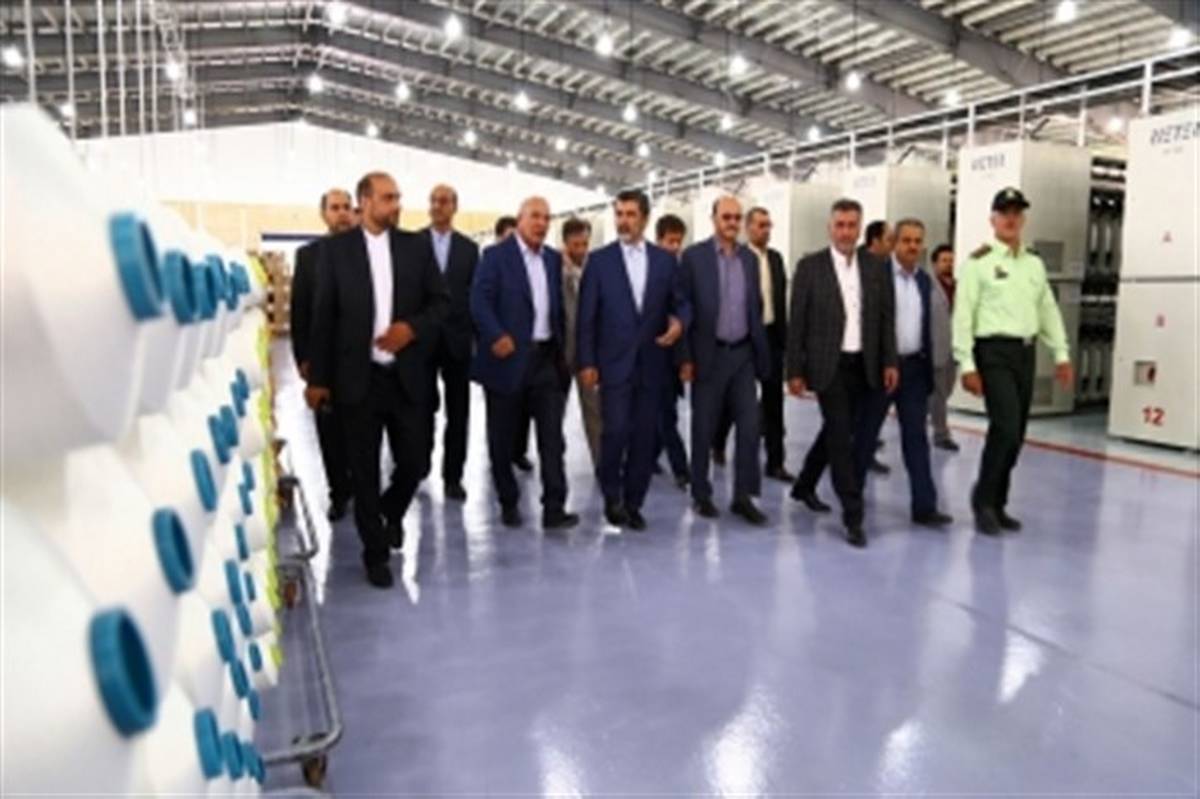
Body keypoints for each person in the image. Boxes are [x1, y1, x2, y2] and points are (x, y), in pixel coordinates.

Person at [306, 172, 449, 588]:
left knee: (415, 461)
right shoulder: (337, 252)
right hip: (358, 378)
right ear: (365, 202)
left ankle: (391, 509)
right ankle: (375, 552)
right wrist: (318, 378)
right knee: (363, 470)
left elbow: (441, 302)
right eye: (388, 198)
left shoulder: (415, 247)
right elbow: (323, 317)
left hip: (405, 376)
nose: (396, 205)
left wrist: (411, 329)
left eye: (398, 197)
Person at [954, 187, 1073, 536]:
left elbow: (1047, 310)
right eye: (1004, 213)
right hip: (993, 352)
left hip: (1025, 352)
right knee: (1004, 426)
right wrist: (967, 365)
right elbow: (963, 316)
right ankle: (983, 502)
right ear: (992, 219)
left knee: (1017, 433)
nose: (1010, 219)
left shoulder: (1034, 263)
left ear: (1023, 220)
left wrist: (1061, 354)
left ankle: (998, 502)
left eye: (1016, 213)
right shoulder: (978, 264)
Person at [787, 198, 898, 549]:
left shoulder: (876, 267)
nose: (846, 232)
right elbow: (797, 323)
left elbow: (886, 319)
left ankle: (805, 484)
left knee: (839, 428)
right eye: (840, 225)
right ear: (830, 227)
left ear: (859, 228)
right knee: (840, 438)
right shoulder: (810, 267)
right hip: (828, 365)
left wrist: (890, 362)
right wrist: (794, 370)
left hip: (864, 365)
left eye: (852, 225)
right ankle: (853, 514)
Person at [576, 190, 687, 530]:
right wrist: (587, 362)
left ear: (645, 218)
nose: (623, 221)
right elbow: (586, 317)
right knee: (615, 431)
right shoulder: (600, 261)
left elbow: (681, 303)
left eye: (630, 214)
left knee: (644, 437)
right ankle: (612, 496)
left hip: (653, 363)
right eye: (619, 214)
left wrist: (679, 323)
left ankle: (634, 502)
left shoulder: (665, 261)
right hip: (613, 364)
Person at [470, 197, 579, 531]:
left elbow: (558, 307)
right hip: (508, 359)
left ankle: (554, 507)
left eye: (546, 218)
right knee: (502, 438)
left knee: (552, 438)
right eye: (535, 216)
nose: (541, 223)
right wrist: (495, 334)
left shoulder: (552, 259)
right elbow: (478, 300)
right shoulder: (495, 256)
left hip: (545, 360)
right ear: (520, 220)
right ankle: (508, 500)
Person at [677, 196, 771, 526]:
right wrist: (685, 356)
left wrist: (760, 353)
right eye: (726, 217)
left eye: (736, 217)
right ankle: (701, 493)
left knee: (750, 426)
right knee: (703, 427)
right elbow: (682, 308)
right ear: (713, 218)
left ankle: (743, 497)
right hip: (708, 354)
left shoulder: (749, 259)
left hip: (743, 355)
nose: (732, 223)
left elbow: (756, 306)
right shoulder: (694, 258)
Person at [854, 219, 953, 528]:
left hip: (914, 370)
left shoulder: (924, 280)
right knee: (865, 436)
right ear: (894, 243)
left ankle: (925, 507)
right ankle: (851, 501)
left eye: (917, 241)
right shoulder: (877, 276)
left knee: (916, 439)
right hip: (882, 369)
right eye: (906, 240)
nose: (912, 246)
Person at [711, 207, 791, 482]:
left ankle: (776, 462)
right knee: (735, 399)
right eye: (760, 225)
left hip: (771, 337)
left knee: (774, 401)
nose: (766, 230)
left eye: (768, 225)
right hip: (744, 339)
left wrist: (785, 342)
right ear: (748, 227)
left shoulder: (776, 259)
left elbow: (780, 303)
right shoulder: (738, 258)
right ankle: (718, 442)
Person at [291, 188, 356, 521]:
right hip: (324, 361)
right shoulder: (308, 257)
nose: (342, 213)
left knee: (362, 430)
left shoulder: (369, 252)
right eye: (335, 208)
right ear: (324, 214)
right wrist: (304, 359)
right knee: (330, 431)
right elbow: (299, 311)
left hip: (362, 360)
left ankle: (363, 488)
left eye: (346, 207)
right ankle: (339, 492)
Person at [419, 184, 480, 501]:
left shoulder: (469, 249)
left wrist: (475, 339)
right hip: (423, 341)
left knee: (458, 412)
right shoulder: (413, 243)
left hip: (457, 341)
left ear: (455, 206)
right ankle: (420, 465)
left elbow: (474, 295)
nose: (437, 206)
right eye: (433, 201)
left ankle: (453, 476)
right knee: (421, 407)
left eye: (443, 201)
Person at [560, 217, 603, 468]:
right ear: (565, 243)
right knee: (554, 415)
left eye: (585, 244)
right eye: (575, 245)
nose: (581, 250)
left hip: (589, 355)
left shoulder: (596, 268)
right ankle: (555, 464)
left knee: (595, 411)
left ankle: (602, 464)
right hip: (560, 356)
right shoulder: (553, 270)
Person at [653, 214, 690, 490]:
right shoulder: (649, 270)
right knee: (664, 415)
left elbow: (686, 315)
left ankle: (649, 456)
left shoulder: (682, 273)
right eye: (670, 241)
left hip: (672, 357)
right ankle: (681, 469)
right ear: (659, 240)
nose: (675, 246)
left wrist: (685, 359)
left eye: (679, 241)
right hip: (651, 354)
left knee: (666, 414)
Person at [929, 243, 959, 451]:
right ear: (935, 264)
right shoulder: (927, 286)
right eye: (944, 261)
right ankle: (941, 434)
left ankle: (926, 418)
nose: (949, 264)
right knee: (939, 394)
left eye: (951, 261)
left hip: (953, 350)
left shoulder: (960, 288)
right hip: (934, 348)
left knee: (945, 390)